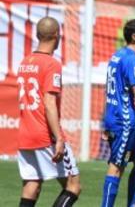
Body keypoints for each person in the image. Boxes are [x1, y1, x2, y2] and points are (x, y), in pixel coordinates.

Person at [17, 17, 81, 207]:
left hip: (25, 133)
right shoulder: (51, 64)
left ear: (37, 35)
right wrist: (59, 137)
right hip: (45, 134)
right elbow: (49, 102)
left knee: (32, 184)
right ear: (56, 35)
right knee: (73, 185)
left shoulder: (25, 61)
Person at [101, 18, 135, 207]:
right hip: (126, 122)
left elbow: (110, 90)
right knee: (116, 168)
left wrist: (107, 121)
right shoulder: (131, 59)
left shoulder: (117, 55)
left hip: (115, 118)